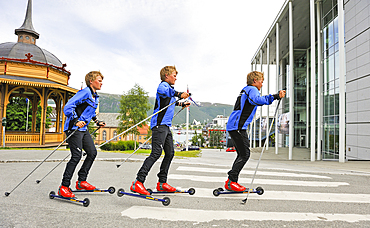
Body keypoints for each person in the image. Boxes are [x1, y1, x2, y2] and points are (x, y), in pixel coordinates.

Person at [130, 66, 190, 195]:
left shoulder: (169, 90)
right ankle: (138, 182)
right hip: (159, 125)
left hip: (166, 126)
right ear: (166, 75)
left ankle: (162, 183)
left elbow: (171, 102)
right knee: (156, 153)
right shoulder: (163, 86)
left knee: (170, 153)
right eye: (174, 75)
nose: (176, 77)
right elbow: (163, 91)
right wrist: (180, 94)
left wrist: (182, 103)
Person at [225, 71, 286, 191]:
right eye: (261, 81)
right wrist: (275, 96)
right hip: (237, 127)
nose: (262, 84)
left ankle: (231, 181)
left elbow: (253, 101)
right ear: (255, 81)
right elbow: (257, 100)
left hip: (235, 126)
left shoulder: (246, 90)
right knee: (245, 154)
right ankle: (231, 182)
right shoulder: (252, 89)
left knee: (242, 154)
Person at [58, 71, 106, 198]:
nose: (101, 83)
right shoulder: (84, 92)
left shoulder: (94, 95)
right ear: (91, 81)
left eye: (102, 80)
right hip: (73, 128)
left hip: (83, 129)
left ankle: (81, 181)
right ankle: (64, 186)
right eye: (99, 80)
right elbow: (68, 107)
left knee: (92, 153)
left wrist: (97, 121)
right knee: (76, 156)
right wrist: (76, 120)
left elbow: (89, 111)